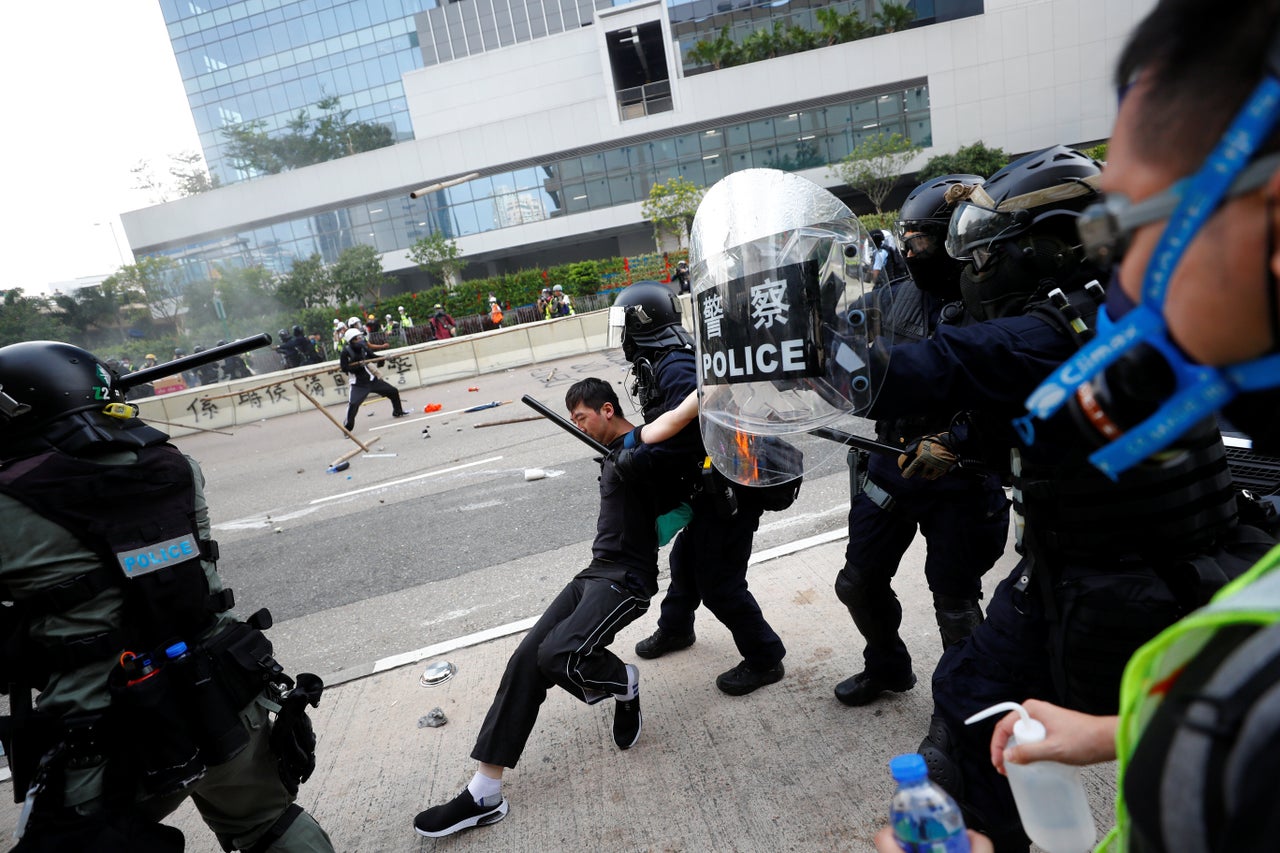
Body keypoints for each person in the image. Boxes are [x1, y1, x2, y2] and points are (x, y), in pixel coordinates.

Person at [909, 4, 1280, 851]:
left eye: (1127, 226)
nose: (1128, 278)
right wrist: (1125, 730)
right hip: (1090, 575)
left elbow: (963, 365)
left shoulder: (1239, 729)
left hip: (1128, 578)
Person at [0, 341, 333, 852]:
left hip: (104, 731)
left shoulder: (10, 502)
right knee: (267, 822)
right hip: (223, 693)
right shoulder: (176, 467)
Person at [412, 377, 690, 839]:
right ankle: (485, 792)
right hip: (594, 573)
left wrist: (704, 395)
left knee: (558, 655)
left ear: (606, 409)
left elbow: (665, 430)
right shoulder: (616, 455)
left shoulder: (639, 447)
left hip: (627, 581)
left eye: (580, 417)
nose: (577, 424)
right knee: (526, 660)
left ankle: (624, 683)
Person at [831, 175, 1011, 708]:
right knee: (857, 583)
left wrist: (958, 439)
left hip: (959, 473)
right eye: (904, 240)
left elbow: (1014, 391)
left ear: (956, 239)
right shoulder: (889, 297)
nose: (909, 251)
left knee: (955, 602)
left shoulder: (995, 302)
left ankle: (967, 713)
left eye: (921, 241)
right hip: (891, 462)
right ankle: (886, 666)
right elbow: (846, 355)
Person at [612, 282, 789, 696]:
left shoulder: (673, 366)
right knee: (686, 560)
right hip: (708, 489)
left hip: (729, 493)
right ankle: (675, 629)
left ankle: (766, 657)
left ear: (640, 324)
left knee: (720, 582)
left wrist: (633, 460)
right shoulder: (663, 359)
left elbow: (683, 439)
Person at [339, 327, 407, 431]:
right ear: (351, 340)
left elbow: (373, 356)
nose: (360, 340)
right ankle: (347, 427)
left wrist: (384, 358)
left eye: (360, 338)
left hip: (371, 380)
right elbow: (345, 368)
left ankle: (398, 411)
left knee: (393, 391)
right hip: (358, 384)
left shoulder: (363, 347)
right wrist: (359, 366)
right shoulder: (345, 352)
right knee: (353, 404)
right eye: (358, 338)